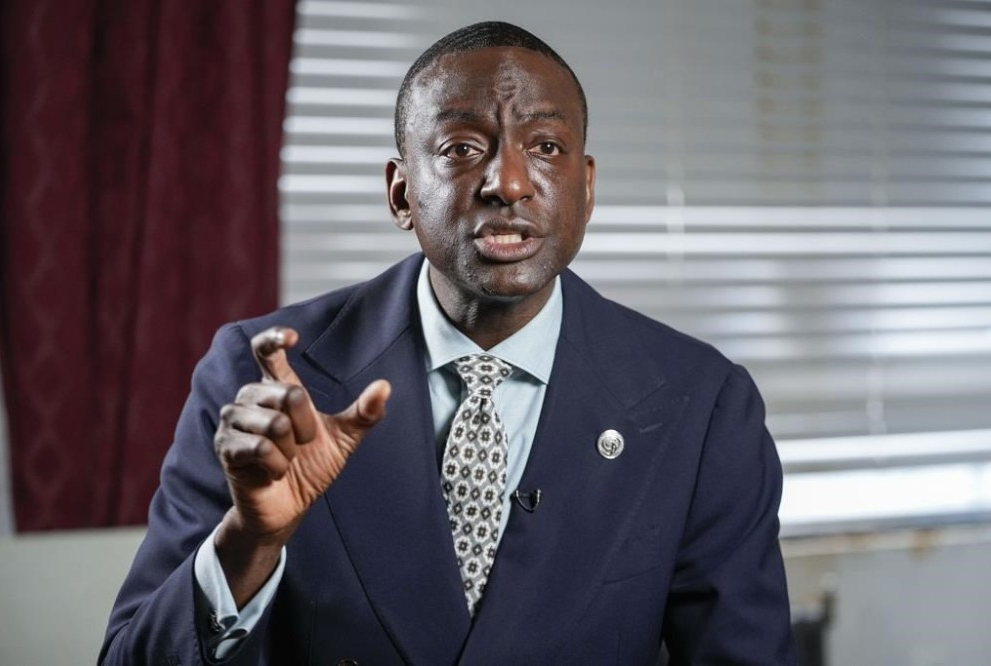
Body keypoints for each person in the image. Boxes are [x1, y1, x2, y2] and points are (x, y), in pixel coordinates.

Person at [100, 21, 795, 665]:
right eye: (461, 149)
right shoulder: (259, 379)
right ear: (401, 194)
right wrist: (250, 542)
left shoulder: (700, 405)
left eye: (545, 148)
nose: (509, 183)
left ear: (585, 189)